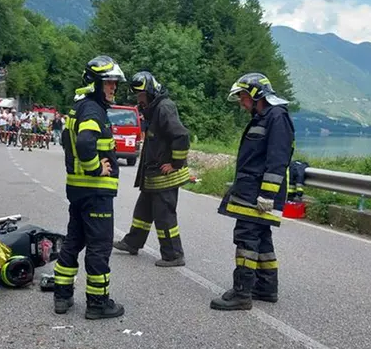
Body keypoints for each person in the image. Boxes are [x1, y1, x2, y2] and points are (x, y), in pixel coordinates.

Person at [210, 73, 295, 311]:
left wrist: (267, 195)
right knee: (261, 238)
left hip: (258, 195)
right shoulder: (264, 116)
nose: (241, 102)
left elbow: (277, 160)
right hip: (251, 192)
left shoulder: (276, 117)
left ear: (257, 95)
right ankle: (265, 288)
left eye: (243, 97)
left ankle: (242, 293)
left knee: (247, 239)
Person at [53, 55, 126, 320]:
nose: (113, 88)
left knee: (74, 240)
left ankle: (62, 296)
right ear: (95, 83)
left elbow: (67, 140)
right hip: (95, 192)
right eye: (108, 82)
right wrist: (96, 168)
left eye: (114, 83)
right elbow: (85, 142)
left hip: (78, 190)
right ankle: (97, 303)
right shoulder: (93, 110)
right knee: (99, 246)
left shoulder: (80, 107)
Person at [113, 71, 191, 267]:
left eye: (141, 95)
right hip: (152, 175)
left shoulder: (164, 108)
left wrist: (175, 164)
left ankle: (173, 255)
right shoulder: (153, 109)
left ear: (151, 92)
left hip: (166, 176)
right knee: (142, 211)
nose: (139, 100)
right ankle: (132, 242)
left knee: (164, 217)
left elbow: (181, 136)